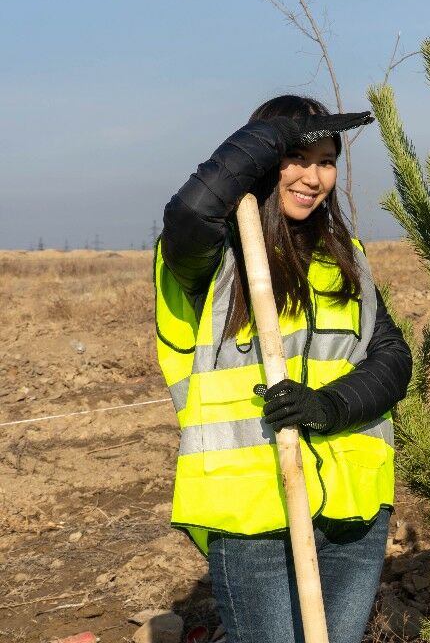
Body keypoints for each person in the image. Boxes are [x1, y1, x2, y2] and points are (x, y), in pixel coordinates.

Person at [153, 95, 412, 643]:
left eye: (325, 160)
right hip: (252, 518)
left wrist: (331, 405)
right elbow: (191, 208)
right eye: (295, 156)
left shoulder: (346, 255)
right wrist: (274, 134)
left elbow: (391, 360)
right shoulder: (211, 258)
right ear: (264, 160)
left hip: (354, 511)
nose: (312, 176)